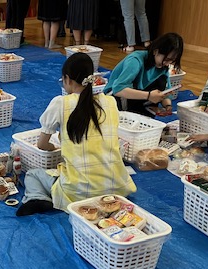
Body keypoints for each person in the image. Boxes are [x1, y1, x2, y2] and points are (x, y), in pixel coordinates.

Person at [16, 53, 136, 216]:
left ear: (67, 79)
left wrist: (53, 147)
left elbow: (42, 145)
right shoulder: (110, 102)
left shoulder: (61, 103)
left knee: (32, 175)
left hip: (79, 192)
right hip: (115, 188)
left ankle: (36, 198)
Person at [104, 32, 183, 117]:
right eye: (167, 59)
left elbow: (165, 92)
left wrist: (167, 106)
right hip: (115, 98)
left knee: (161, 81)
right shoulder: (135, 61)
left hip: (139, 98)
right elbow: (118, 89)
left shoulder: (162, 67)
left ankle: (143, 111)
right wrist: (149, 96)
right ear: (155, 51)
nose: (167, 63)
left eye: (172, 61)